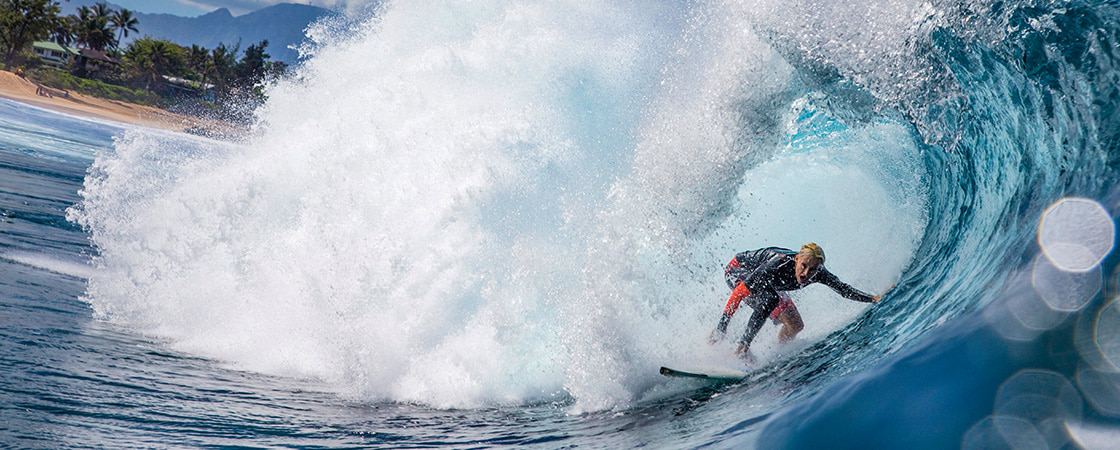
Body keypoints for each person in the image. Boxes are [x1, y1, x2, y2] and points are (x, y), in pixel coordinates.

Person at [709, 243, 883, 361]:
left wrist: (872, 298)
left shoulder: (819, 273)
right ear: (797, 259)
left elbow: (843, 289)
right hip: (738, 270)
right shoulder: (777, 264)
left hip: (769, 283)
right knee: (770, 299)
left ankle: (779, 353)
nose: (806, 273)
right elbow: (739, 293)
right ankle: (742, 350)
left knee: (795, 325)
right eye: (804, 266)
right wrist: (722, 326)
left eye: (813, 269)